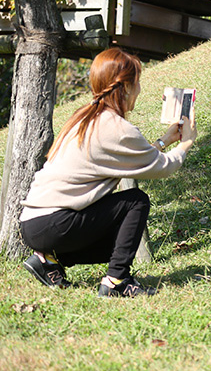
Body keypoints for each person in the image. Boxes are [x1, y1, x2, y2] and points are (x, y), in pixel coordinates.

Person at [18, 47, 197, 297]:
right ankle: (117, 281)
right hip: (54, 224)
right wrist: (187, 142)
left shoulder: (85, 118)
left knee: (122, 241)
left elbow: (130, 159)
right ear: (124, 87)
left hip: (34, 224)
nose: (140, 90)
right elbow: (163, 167)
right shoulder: (116, 128)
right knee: (136, 202)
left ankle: (48, 260)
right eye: (137, 83)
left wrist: (164, 141)